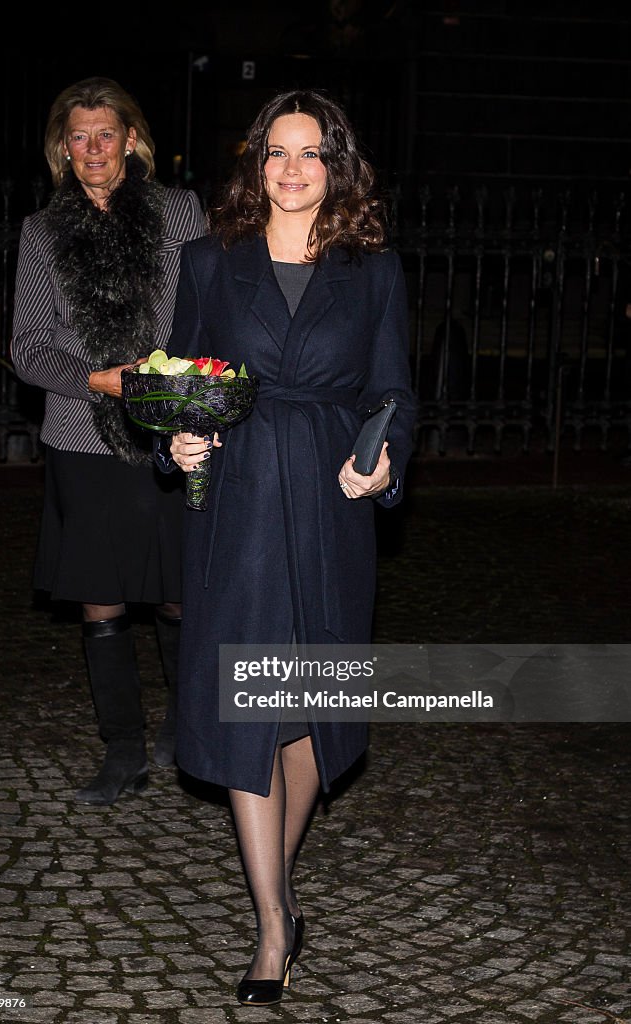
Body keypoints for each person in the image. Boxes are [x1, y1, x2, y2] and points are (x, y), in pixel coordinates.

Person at [156, 88, 416, 1006]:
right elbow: (179, 377)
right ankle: (272, 924)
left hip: (330, 499)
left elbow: (395, 393)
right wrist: (176, 438)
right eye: (276, 151)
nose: (293, 168)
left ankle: (280, 885)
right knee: (245, 710)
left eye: (311, 152)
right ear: (255, 163)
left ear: (337, 164)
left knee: (308, 718)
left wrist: (383, 462)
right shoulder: (207, 261)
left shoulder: (374, 272)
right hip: (236, 503)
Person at [10, 77, 207, 806]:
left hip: (170, 431)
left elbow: (205, 312)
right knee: (100, 599)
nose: (92, 148)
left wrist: (176, 390)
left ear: (132, 139)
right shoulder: (42, 230)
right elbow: (28, 349)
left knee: (178, 595)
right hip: (80, 434)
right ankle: (122, 748)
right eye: (78, 136)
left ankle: (185, 731)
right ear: (64, 147)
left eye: (106, 133)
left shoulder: (179, 212)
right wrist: (100, 380)